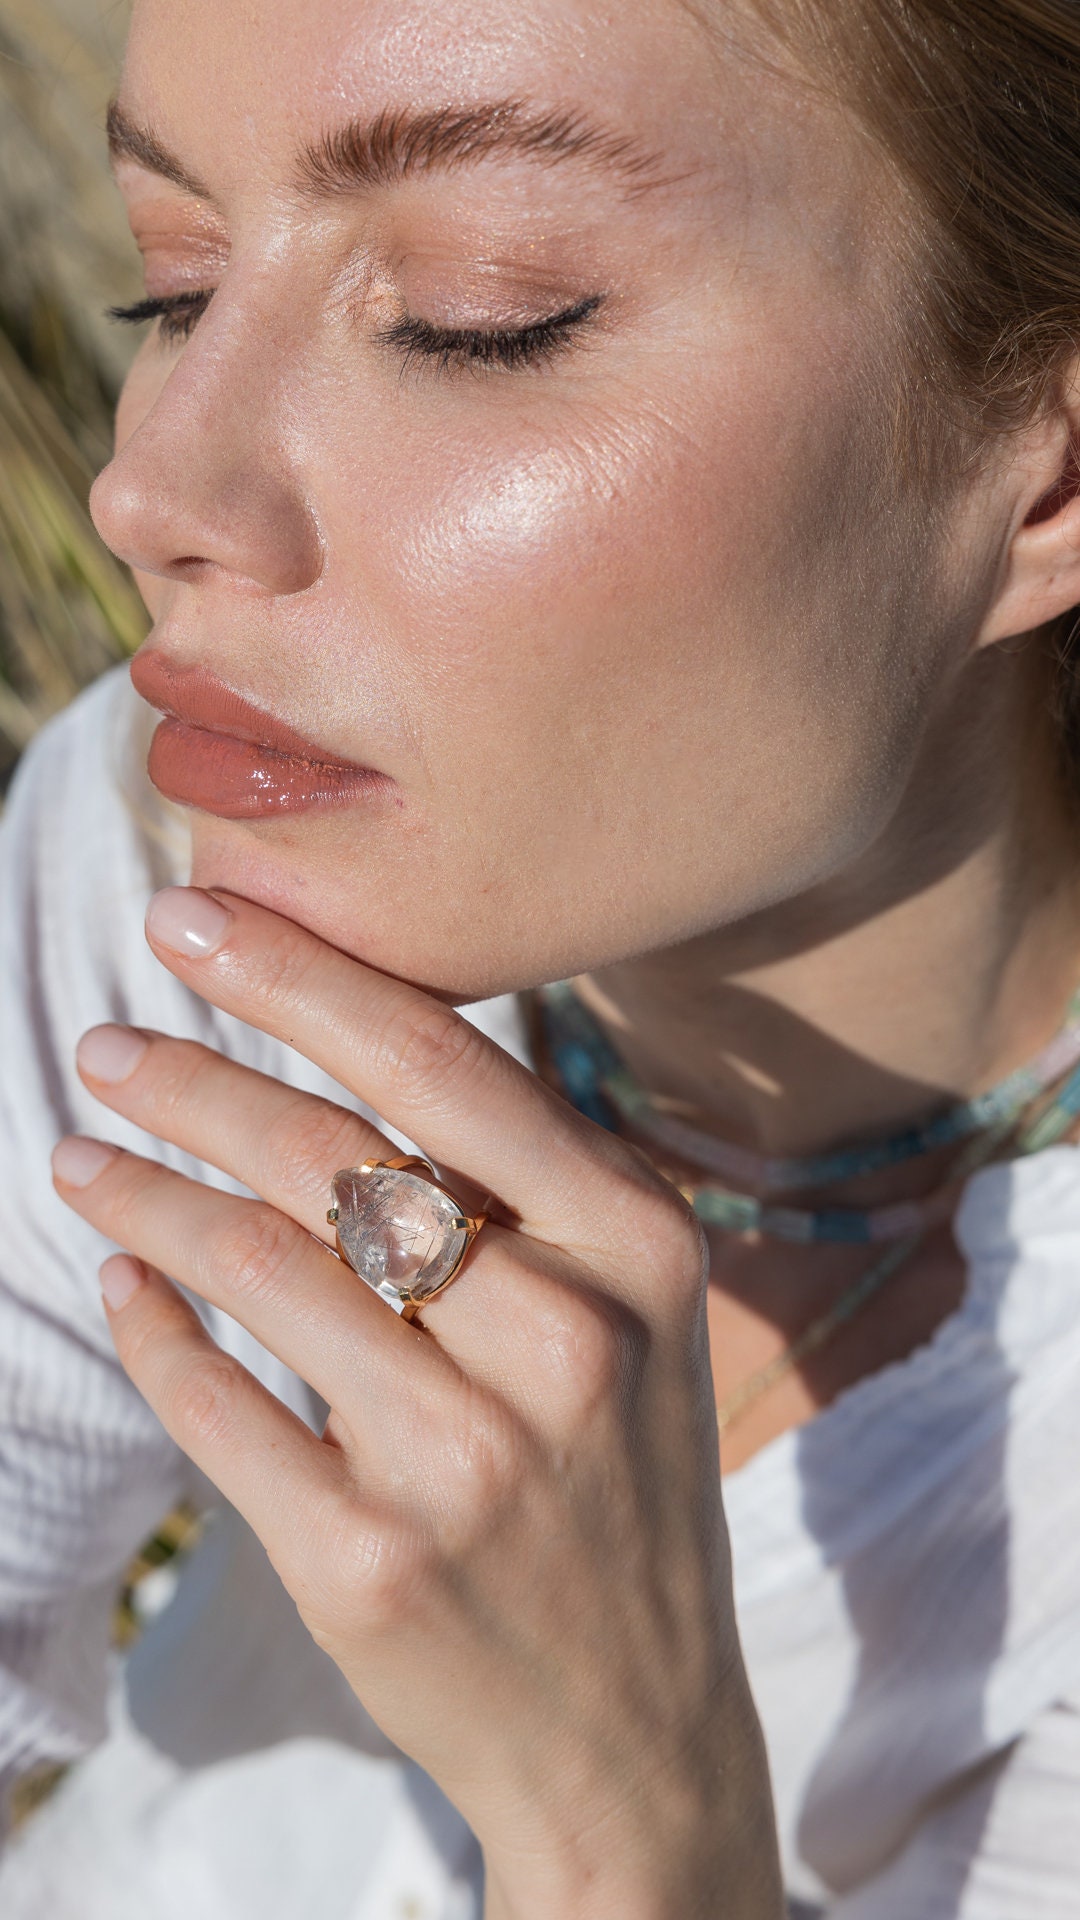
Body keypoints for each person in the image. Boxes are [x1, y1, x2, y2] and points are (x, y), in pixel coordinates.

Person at [2, 0, 1080, 1912]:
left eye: (470, 314)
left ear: (1047, 467)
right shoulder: (195, 872)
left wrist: (632, 1833)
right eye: (170, 283)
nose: (150, 490)